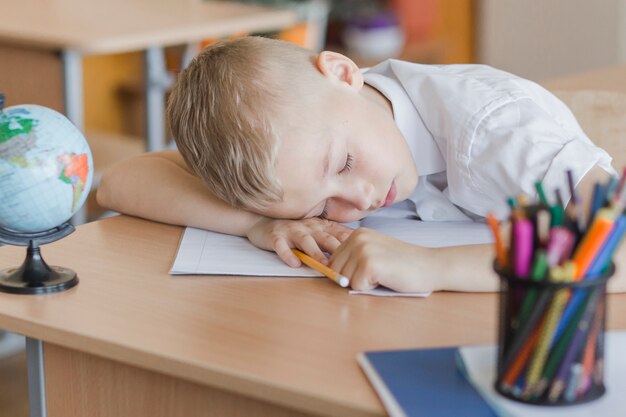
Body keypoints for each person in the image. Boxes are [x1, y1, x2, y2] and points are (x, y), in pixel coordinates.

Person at [97, 36, 624, 293]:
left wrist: (433, 268)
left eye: (345, 163)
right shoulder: (308, 130)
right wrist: (262, 223)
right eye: (324, 204)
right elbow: (120, 183)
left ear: (345, 72)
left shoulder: (495, 127)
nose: (359, 201)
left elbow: (614, 245)